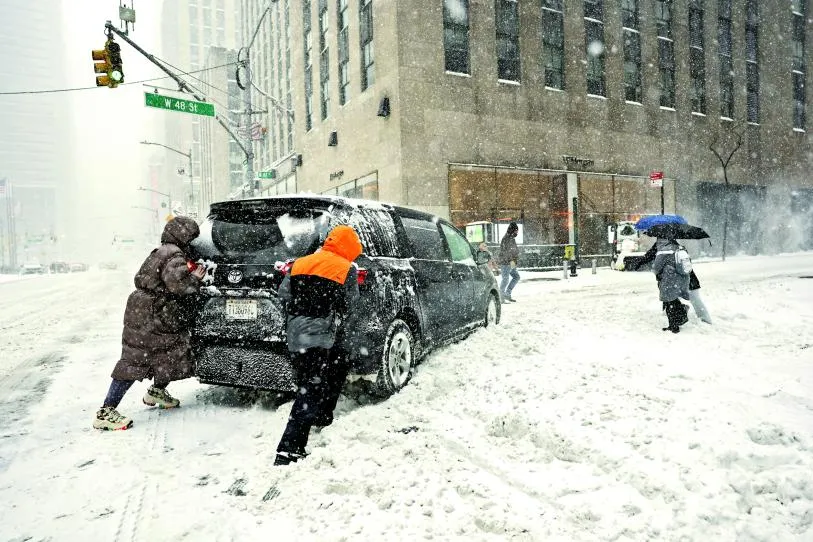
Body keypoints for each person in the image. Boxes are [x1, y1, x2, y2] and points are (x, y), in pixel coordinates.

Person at [92, 216, 207, 430]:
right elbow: (178, 285)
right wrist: (196, 279)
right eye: (191, 237)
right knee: (136, 360)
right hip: (152, 313)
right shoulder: (173, 254)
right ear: (183, 235)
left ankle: (157, 391)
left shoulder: (165, 250)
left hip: (149, 310)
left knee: (173, 351)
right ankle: (106, 411)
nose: (192, 242)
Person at [274, 224, 363, 466]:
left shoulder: (301, 263)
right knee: (311, 387)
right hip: (321, 334)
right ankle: (288, 449)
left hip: (296, 334)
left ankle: (322, 416)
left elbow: (284, 295)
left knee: (331, 368)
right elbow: (350, 304)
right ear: (349, 248)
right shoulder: (346, 269)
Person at [650, 237, 690, 333]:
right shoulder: (680, 248)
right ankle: (680, 315)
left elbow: (656, 268)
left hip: (669, 279)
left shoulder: (663, 251)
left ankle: (674, 325)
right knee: (673, 300)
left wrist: (656, 270)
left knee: (669, 303)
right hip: (681, 279)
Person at [498, 222, 520, 303]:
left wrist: (514, 259)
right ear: (513, 230)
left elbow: (513, 250)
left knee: (516, 277)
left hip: (511, 262)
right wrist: (511, 260)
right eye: (516, 230)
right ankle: (501, 296)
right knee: (505, 279)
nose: (517, 232)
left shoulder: (511, 238)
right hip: (506, 262)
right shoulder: (506, 238)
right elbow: (505, 251)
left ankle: (507, 294)